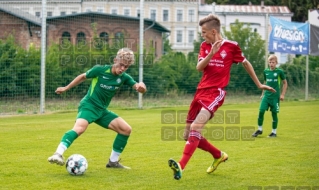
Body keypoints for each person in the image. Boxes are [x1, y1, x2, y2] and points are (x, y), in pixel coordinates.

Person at [168, 14, 276, 180]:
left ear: (213, 31)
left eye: (204, 32)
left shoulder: (232, 47)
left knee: (196, 127)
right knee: (187, 134)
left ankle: (180, 167)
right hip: (200, 92)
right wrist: (211, 54)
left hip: (215, 93)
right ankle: (218, 155)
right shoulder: (205, 46)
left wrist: (259, 84)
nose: (202, 35)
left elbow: (246, 63)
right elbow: (199, 67)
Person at [48, 48, 146, 169]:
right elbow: (83, 76)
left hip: (102, 111)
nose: (122, 69)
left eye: (126, 67)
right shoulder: (100, 70)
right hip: (89, 105)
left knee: (126, 129)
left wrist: (142, 88)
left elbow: (137, 86)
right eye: (121, 64)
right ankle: (58, 154)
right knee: (80, 128)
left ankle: (113, 162)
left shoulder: (124, 77)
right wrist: (66, 88)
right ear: (115, 60)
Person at [252, 54, 287, 138]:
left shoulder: (279, 72)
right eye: (270, 62)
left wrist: (282, 94)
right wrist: (262, 94)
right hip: (266, 96)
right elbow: (265, 83)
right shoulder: (265, 71)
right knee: (261, 110)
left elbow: (285, 83)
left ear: (276, 63)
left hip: (275, 97)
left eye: (273, 62)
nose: (271, 64)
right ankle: (259, 129)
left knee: (274, 114)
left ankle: (274, 132)